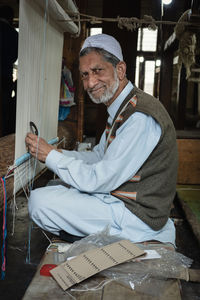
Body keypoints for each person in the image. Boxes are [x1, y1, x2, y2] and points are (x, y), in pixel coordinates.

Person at [25, 34, 178, 246]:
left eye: (98, 71)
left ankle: (115, 239)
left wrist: (50, 156)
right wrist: (56, 153)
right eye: (85, 75)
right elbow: (99, 156)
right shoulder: (122, 109)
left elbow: (100, 179)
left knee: (39, 202)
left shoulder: (140, 117)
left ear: (120, 70)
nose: (90, 82)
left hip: (138, 218)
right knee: (54, 185)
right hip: (121, 204)